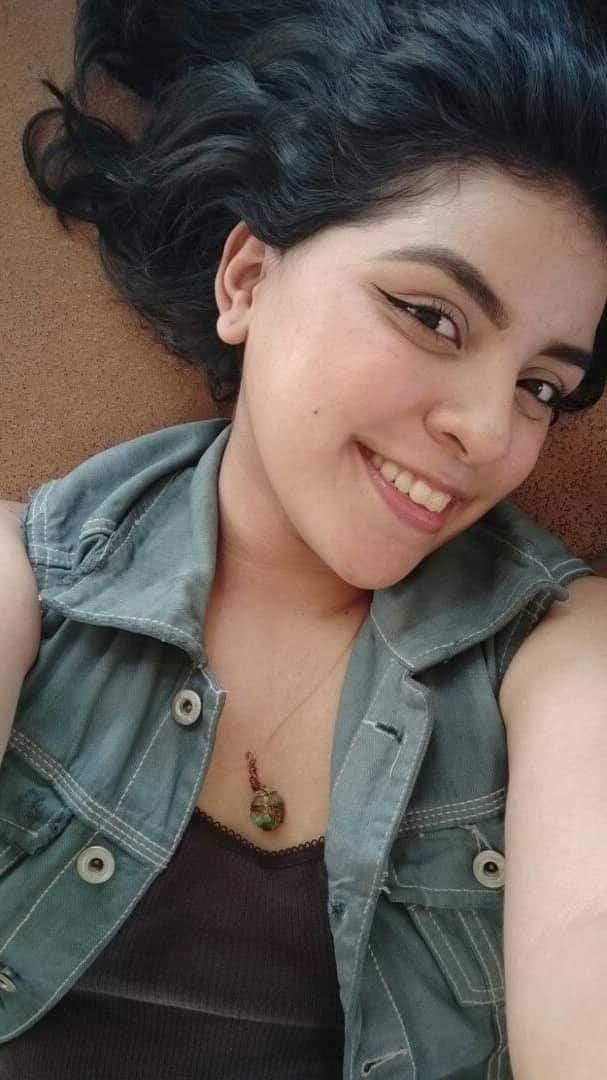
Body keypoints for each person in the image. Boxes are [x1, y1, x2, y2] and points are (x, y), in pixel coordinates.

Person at [1, 0, 607, 1076]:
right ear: (246, 279)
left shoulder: (559, 650)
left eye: (539, 386)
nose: (488, 432)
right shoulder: (23, 582)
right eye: (431, 316)